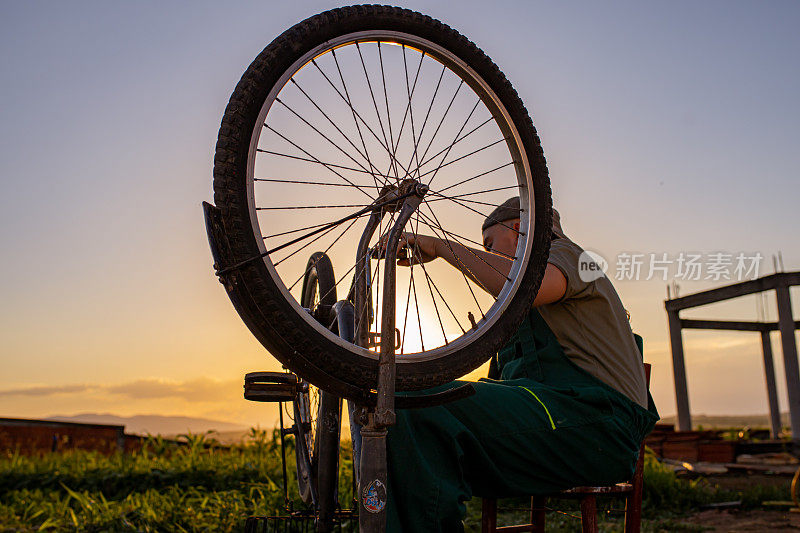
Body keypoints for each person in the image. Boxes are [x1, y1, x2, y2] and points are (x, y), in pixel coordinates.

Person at [381, 198, 659, 532]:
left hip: (596, 424)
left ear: (518, 229)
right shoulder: (521, 310)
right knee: (407, 406)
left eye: (489, 244)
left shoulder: (569, 256)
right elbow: (495, 393)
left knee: (418, 404)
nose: (486, 252)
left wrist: (441, 247)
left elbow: (530, 285)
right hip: (550, 417)